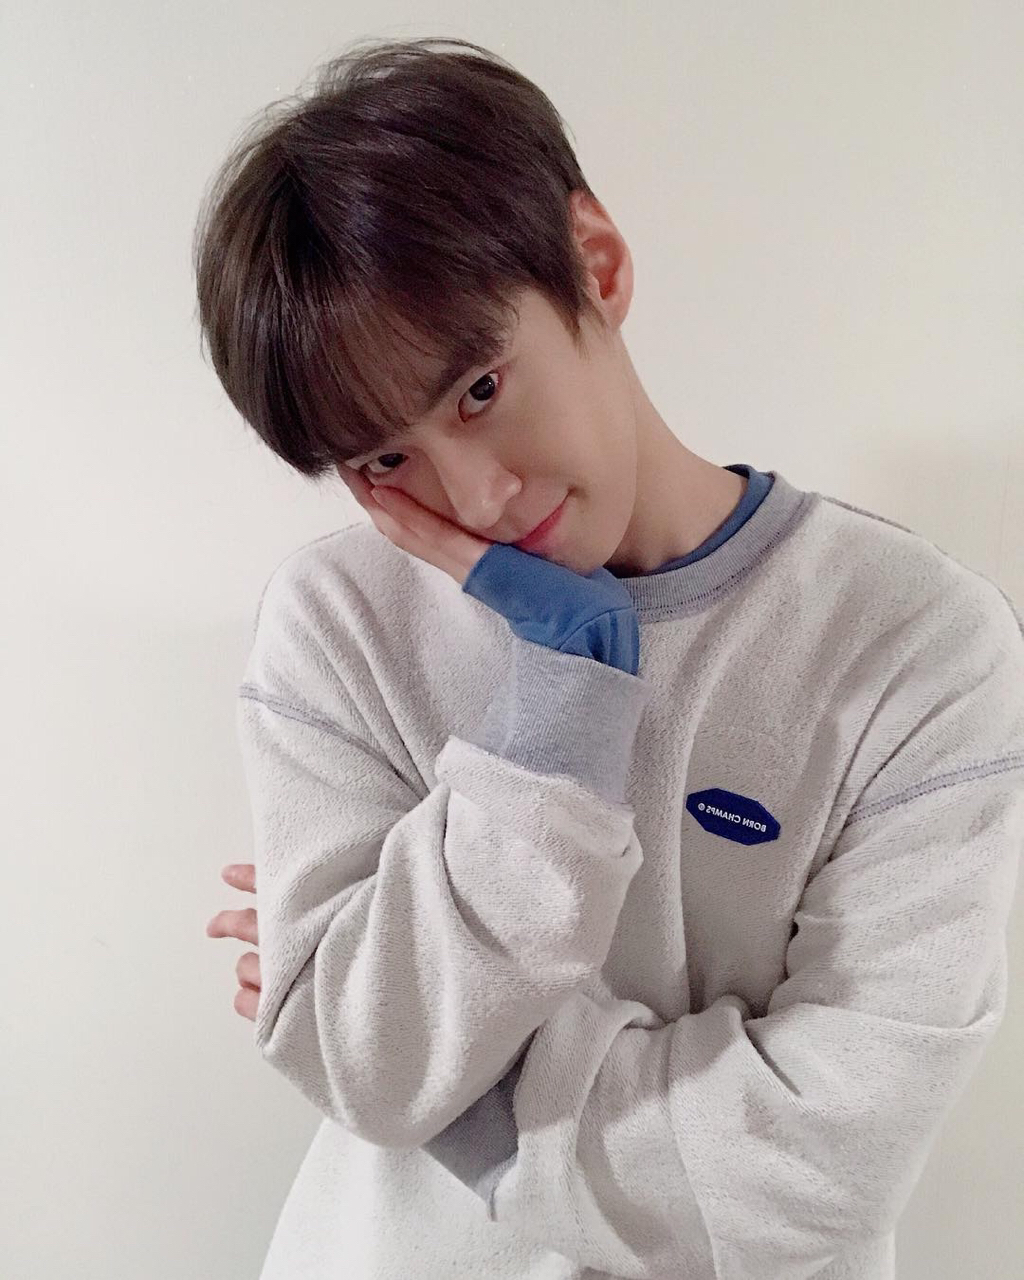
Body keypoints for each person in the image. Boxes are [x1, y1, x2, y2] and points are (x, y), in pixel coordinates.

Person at [198, 35, 1024, 1280]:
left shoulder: (917, 644)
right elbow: (365, 1063)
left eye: (480, 388)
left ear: (594, 261)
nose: (475, 494)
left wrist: (438, 1081)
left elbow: (827, 1163)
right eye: (386, 458)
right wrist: (558, 712)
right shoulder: (338, 622)